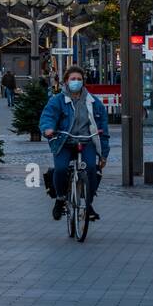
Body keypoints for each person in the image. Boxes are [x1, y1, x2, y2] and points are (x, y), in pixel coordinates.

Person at [40, 64, 110, 221]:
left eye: (79, 79)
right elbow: (48, 116)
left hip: (86, 141)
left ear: (83, 81)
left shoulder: (94, 103)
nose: (76, 82)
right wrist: (48, 129)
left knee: (92, 168)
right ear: (66, 81)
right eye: (73, 79)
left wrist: (103, 154)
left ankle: (89, 203)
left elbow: (103, 130)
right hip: (64, 141)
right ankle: (60, 199)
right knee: (61, 169)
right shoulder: (58, 100)